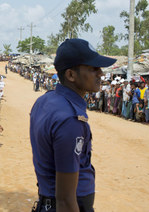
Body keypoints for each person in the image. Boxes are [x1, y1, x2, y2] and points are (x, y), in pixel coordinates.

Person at [30, 38, 116, 212]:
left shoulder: (45, 100)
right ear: (71, 75)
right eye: (93, 68)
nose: (100, 73)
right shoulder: (70, 119)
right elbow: (66, 201)